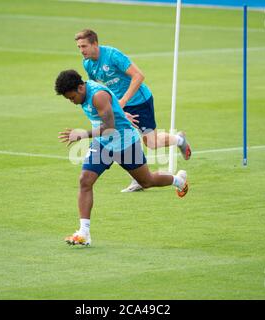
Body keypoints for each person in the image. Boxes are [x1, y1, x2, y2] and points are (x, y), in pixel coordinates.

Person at [55, 70, 189, 246]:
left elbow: (110, 127)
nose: (72, 102)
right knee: (85, 181)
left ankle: (178, 180)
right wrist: (119, 112)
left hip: (125, 142)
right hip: (102, 143)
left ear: (80, 88)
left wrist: (82, 134)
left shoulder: (98, 96)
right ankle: (84, 233)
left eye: (71, 97)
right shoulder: (84, 92)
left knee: (146, 181)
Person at [74, 29, 192, 193]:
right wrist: (117, 109)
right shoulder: (87, 64)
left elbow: (139, 76)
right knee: (124, 136)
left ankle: (178, 139)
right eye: (79, 47)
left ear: (95, 43)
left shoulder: (113, 55)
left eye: (84, 46)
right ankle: (138, 180)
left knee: (150, 142)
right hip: (117, 104)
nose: (81, 50)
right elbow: (97, 89)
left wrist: (122, 102)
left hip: (138, 100)